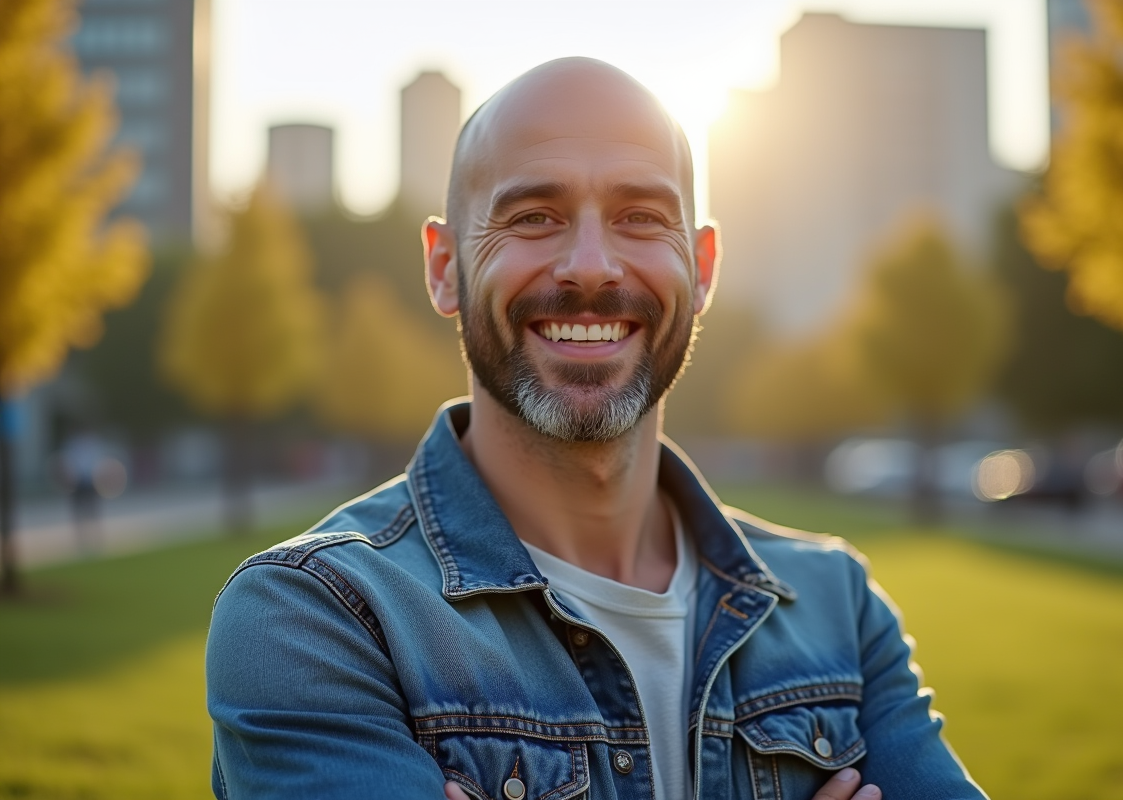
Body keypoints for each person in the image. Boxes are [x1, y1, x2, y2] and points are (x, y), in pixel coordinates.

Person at [206, 58, 987, 800]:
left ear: (702, 267)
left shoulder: (837, 607)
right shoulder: (316, 617)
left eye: (641, 217)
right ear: (445, 266)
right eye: (534, 216)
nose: (590, 266)